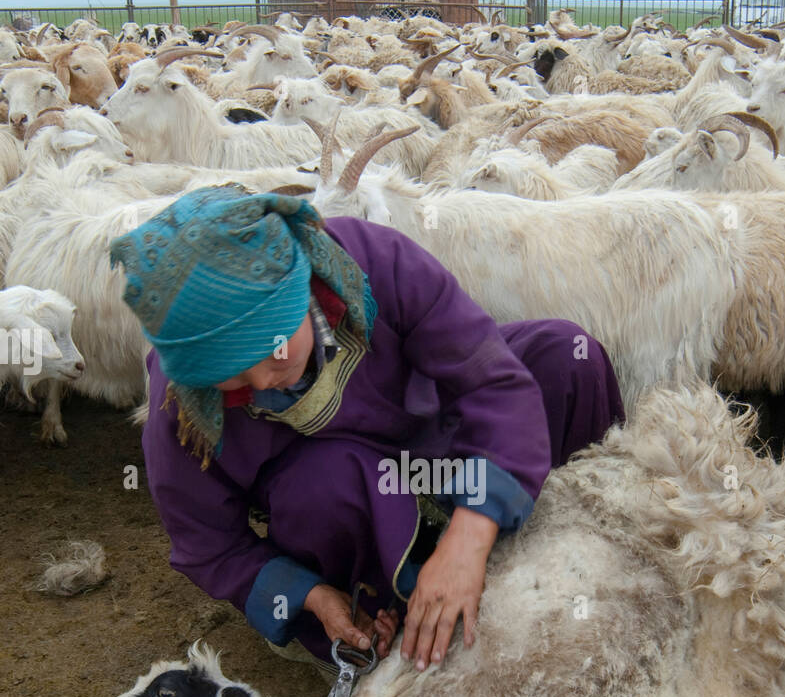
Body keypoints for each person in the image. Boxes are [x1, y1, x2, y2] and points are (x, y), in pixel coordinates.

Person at [110, 185, 624, 672]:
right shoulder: (182, 400)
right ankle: (392, 612)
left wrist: (469, 534)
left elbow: (490, 381)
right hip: (346, 496)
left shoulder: (369, 261)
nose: (262, 378)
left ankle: (571, 546)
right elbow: (209, 544)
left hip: (435, 435)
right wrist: (310, 596)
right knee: (325, 486)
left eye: (271, 348)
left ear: (297, 288)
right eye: (229, 373)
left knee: (566, 355)